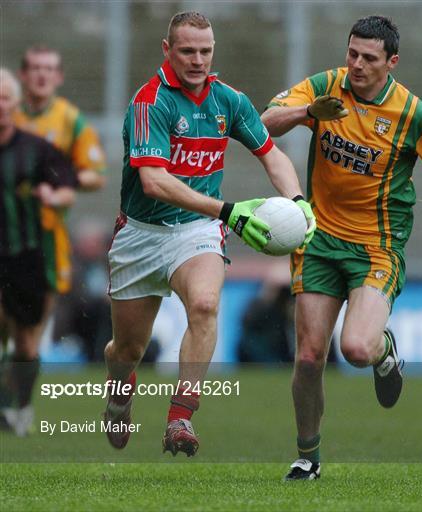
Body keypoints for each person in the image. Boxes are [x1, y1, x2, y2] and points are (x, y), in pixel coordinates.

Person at [261, 15, 422, 480]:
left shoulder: (413, 114)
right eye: (352, 53)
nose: (356, 64)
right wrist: (307, 113)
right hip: (318, 241)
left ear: (391, 62)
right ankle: (307, 457)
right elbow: (266, 123)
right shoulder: (326, 86)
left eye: (369, 58)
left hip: (376, 248)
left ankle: (384, 352)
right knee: (309, 357)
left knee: (355, 348)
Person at [103, 11, 315, 457]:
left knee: (204, 304)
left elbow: (271, 155)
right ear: (167, 50)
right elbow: (154, 182)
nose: (197, 60)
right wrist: (228, 209)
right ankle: (119, 395)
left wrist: (298, 201)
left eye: (205, 51)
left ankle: (180, 416)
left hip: (198, 231)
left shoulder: (229, 101)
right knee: (127, 348)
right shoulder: (150, 102)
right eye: (187, 51)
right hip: (141, 234)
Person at [0, 68, 76, 436]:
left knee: (26, 344)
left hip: (26, 258)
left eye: (4, 97)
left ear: (16, 103)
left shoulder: (36, 149)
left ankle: (22, 406)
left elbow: (67, 188)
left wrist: (53, 196)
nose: (0, 105)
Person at [13, 45, 106, 333]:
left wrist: (63, 181)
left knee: (34, 327)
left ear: (59, 77)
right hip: (8, 230)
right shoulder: (8, 117)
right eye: (36, 68)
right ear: (23, 75)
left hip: (48, 235)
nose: (42, 75)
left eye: (49, 69)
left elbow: (96, 175)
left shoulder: (69, 120)